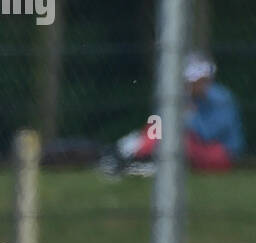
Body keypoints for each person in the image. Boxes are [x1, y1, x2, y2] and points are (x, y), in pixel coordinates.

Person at [103, 53, 244, 177]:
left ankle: (131, 154)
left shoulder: (221, 99)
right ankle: (131, 153)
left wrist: (186, 115)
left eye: (195, 81)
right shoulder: (187, 97)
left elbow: (207, 135)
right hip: (190, 147)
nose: (190, 84)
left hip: (220, 153)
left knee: (176, 141)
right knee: (161, 130)